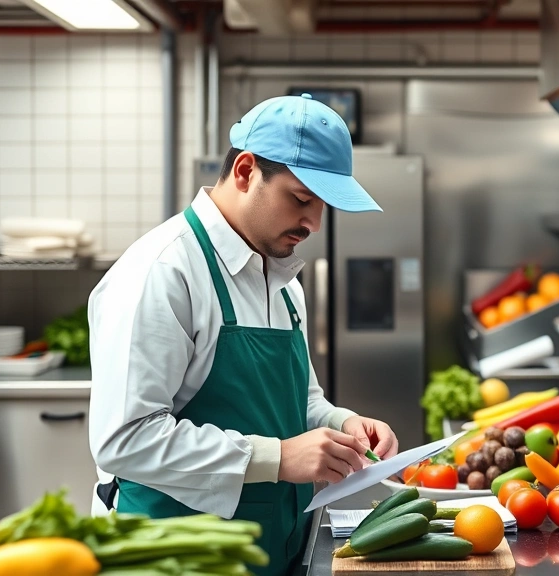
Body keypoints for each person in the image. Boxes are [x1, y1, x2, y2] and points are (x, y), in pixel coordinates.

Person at [87, 94, 399, 576]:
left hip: (273, 549)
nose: (314, 223)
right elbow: (126, 439)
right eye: (301, 199)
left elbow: (301, 401)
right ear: (246, 171)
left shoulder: (280, 280)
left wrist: (341, 423)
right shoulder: (163, 272)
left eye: (322, 206)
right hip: (176, 556)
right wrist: (279, 458)